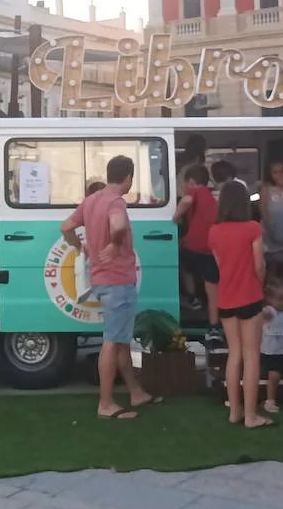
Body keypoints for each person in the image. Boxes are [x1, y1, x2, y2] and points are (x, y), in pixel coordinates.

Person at [61, 155, 154, 420]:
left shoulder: (91, 200)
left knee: (121, 339)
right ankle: (105, 403)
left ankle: (136, 392)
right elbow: (118, 225)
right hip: (118, 280)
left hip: (100, 279)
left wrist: (81, 248)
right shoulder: (115, 202)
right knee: (112, 341)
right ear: (128, 177)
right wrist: (114, 244)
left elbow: (65, 227)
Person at [210, 179, 269, 428]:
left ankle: (235, 411)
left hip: (226, 298)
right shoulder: (253, 228)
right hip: (250, 296)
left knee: (234, 355)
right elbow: (259, 266)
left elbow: (220, 264)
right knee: (251, 356)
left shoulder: (214, 231)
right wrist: (261, 282)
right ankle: (252, 416)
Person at [173, 164, 219, 323]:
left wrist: (176, 217)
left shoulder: (195, 191)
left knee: (183, 265)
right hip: (212, 245)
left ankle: (193, 298)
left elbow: (186, 201)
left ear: (191, 181)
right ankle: (213, 318)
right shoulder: (211, 195)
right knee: (211, 281)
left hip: (194, 243)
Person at [259, 277, 283, 415]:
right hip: (272, 352)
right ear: (270, 299)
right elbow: (262, 314)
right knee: (274, 375)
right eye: (280, 299)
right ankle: (270, 400)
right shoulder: (270, 311)